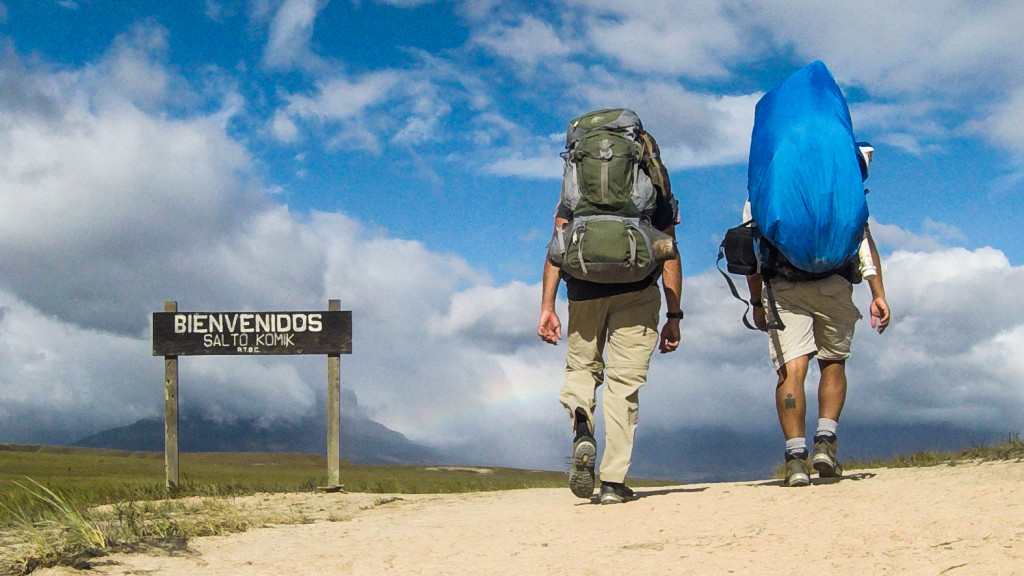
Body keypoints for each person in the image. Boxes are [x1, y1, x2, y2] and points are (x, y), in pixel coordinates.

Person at [538, 129, 682, 504]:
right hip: (638, 291)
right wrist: (674, 314)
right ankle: (614, 483)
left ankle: (583, 424)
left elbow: (556, 248)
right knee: (624, 385)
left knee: (581, 370)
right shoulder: (653, 185)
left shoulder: (576, 191)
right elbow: (669, 251)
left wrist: (547, 307)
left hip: (584, 290)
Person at [745, 145, 891, 487]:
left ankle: (796, 460)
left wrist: (756, 302)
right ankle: (826, 443)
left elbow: (752, 252)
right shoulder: (841, 187)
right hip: (834, 285)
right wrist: (877, 294)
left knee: (791, 371)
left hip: (784, 287)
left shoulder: (768, 187)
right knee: (833, 362)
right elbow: (863, 245)